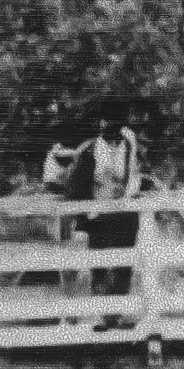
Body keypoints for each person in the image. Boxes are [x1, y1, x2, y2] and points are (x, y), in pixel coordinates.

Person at [65, 100, 143, 328]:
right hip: (97, 216)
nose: (114, 131)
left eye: (117, 125)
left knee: (123, 265)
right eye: (109, 125)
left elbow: (133, 173)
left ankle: (116, 315)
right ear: (101, 124)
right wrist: (85, 216)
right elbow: (76, 188)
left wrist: (128, 197)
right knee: (99, 266)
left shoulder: (128, 142)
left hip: (124, 215)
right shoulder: (90, 150)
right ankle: (101, 315)